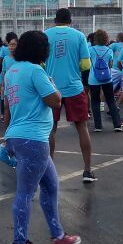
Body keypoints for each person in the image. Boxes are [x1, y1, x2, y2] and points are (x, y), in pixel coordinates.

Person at [3, 30, 82, 244]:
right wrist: (52, 84)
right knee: (25, 193)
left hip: (20, 136)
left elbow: (7, 107)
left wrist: (7, 136)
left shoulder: (12, 71)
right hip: (33, 140)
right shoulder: (36, 71)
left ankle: (58, 236)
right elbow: (55, 101)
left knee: (51, 185)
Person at [44, 9, 94, 182]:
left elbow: (40, 63)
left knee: (51, 129)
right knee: (82, 127)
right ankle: (87, 171)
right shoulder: (79, 36)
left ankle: (48, 171)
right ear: (70, 21)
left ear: (55, 20)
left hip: (51, 87)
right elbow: (86, 65)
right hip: (74, 87)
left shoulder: (45, 35)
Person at [88, 29, 121, 132]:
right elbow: (110, 65)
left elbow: (88, 63)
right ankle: (117, 125)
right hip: (107, 78)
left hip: (93, 79)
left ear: (95, 39)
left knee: (95, 101)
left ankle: (98, 126)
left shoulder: (91, 49)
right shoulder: (109, 50)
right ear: (106, 39)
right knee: (111, 100)